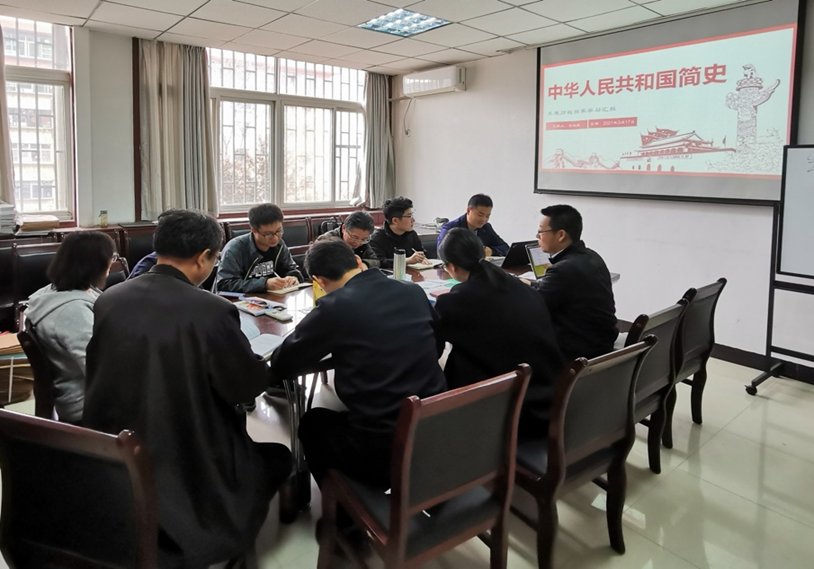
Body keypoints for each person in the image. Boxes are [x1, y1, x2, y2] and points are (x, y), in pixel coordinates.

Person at [83, 209, 291, 568]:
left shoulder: (110, 299)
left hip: (116, 451)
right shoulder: (210, 310)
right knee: (278, 458)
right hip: (189, 453)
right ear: (203, 258)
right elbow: (244, 388)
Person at [268, 239, 446, 491]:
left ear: (319, 281)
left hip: (385, 449)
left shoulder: (334, 306)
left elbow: (283, 363)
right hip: (435, 428)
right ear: (358, 261)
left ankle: (345, 506)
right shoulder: (411, 290)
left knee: (313, 423)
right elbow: (437, 345)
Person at [434, 228, 563, 438]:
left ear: (451, 266)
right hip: (553, 401)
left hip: (511, 415)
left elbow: (433, 348)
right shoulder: (523, 288)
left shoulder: (454, 302)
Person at [25, 231, 116, 425]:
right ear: (98, 264)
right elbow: (99, 370)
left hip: (87, 391)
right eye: (112, 258)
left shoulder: (53, 291)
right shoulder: (72, 312)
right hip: (86, 405)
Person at [530, 204, 617, 363]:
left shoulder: (563, 269)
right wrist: (530, 285)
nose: (537, 235)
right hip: (601, 342)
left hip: (577, 352)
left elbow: (534, 308)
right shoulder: (592, 256)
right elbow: (553, 292)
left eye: (541, 231)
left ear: (561, 235)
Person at [216, 203, 304, 292]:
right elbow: (224, 284)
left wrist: (293, 277)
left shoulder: (279, 245)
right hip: (240, 299)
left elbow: (291, 268)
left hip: (271, 297)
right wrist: (264, 284)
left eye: (278, 231)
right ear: (254, 230)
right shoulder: (235, 249)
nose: (275, 238)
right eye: (268, 234)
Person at [437, 194, 509, 257]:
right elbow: (443, 255)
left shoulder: (486, 227)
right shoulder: (450, 228)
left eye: (487, 216)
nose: (484, 219)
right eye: (480, 215)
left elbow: (505, 248)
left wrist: (492, 251)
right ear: (468, 210)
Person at [369, 196, 429, 269]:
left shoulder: (411, 234)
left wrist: (422, 257)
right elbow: (379, 262)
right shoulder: (377, 238)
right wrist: (406, 261)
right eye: (409, 216)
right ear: (395, 220)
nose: (413, 220)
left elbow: (422, 252)